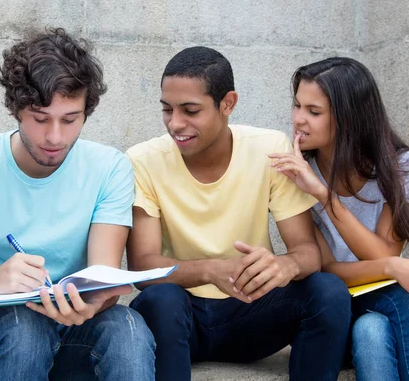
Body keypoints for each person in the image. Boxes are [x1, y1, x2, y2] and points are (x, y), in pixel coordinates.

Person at [0, 28, 155, 380]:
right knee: (24, 324)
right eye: (41, 119)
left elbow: (101, 277)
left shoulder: (109, 167)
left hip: (68, 326)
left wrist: (92, 303)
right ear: (15, 110)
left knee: (127, 326)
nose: (55, 137)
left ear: (86, 112)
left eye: (70, 120)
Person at [126, 46, 352, 381]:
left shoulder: (269, 149)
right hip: (180, 319)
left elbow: (308, 253)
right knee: (160, 299)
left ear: (228, 103)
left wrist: (283, 266)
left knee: (329, 291)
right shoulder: (143, 159)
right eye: (167, 109)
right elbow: (142, 266)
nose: (176, 123)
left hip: (252, 312)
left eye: (190, 110)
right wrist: (212, 270)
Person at [270, 57, 409, 381]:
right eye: (297, 106)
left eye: (313, 112)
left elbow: (379, 253)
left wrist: (389, 264)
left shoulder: (397, 168)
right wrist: (321, 193)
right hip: (330, 316)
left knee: (371, 330)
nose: (298, 120)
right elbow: (327, 271)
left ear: (349, 119)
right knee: (395, 295)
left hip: (379, 313)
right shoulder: (298, 175)